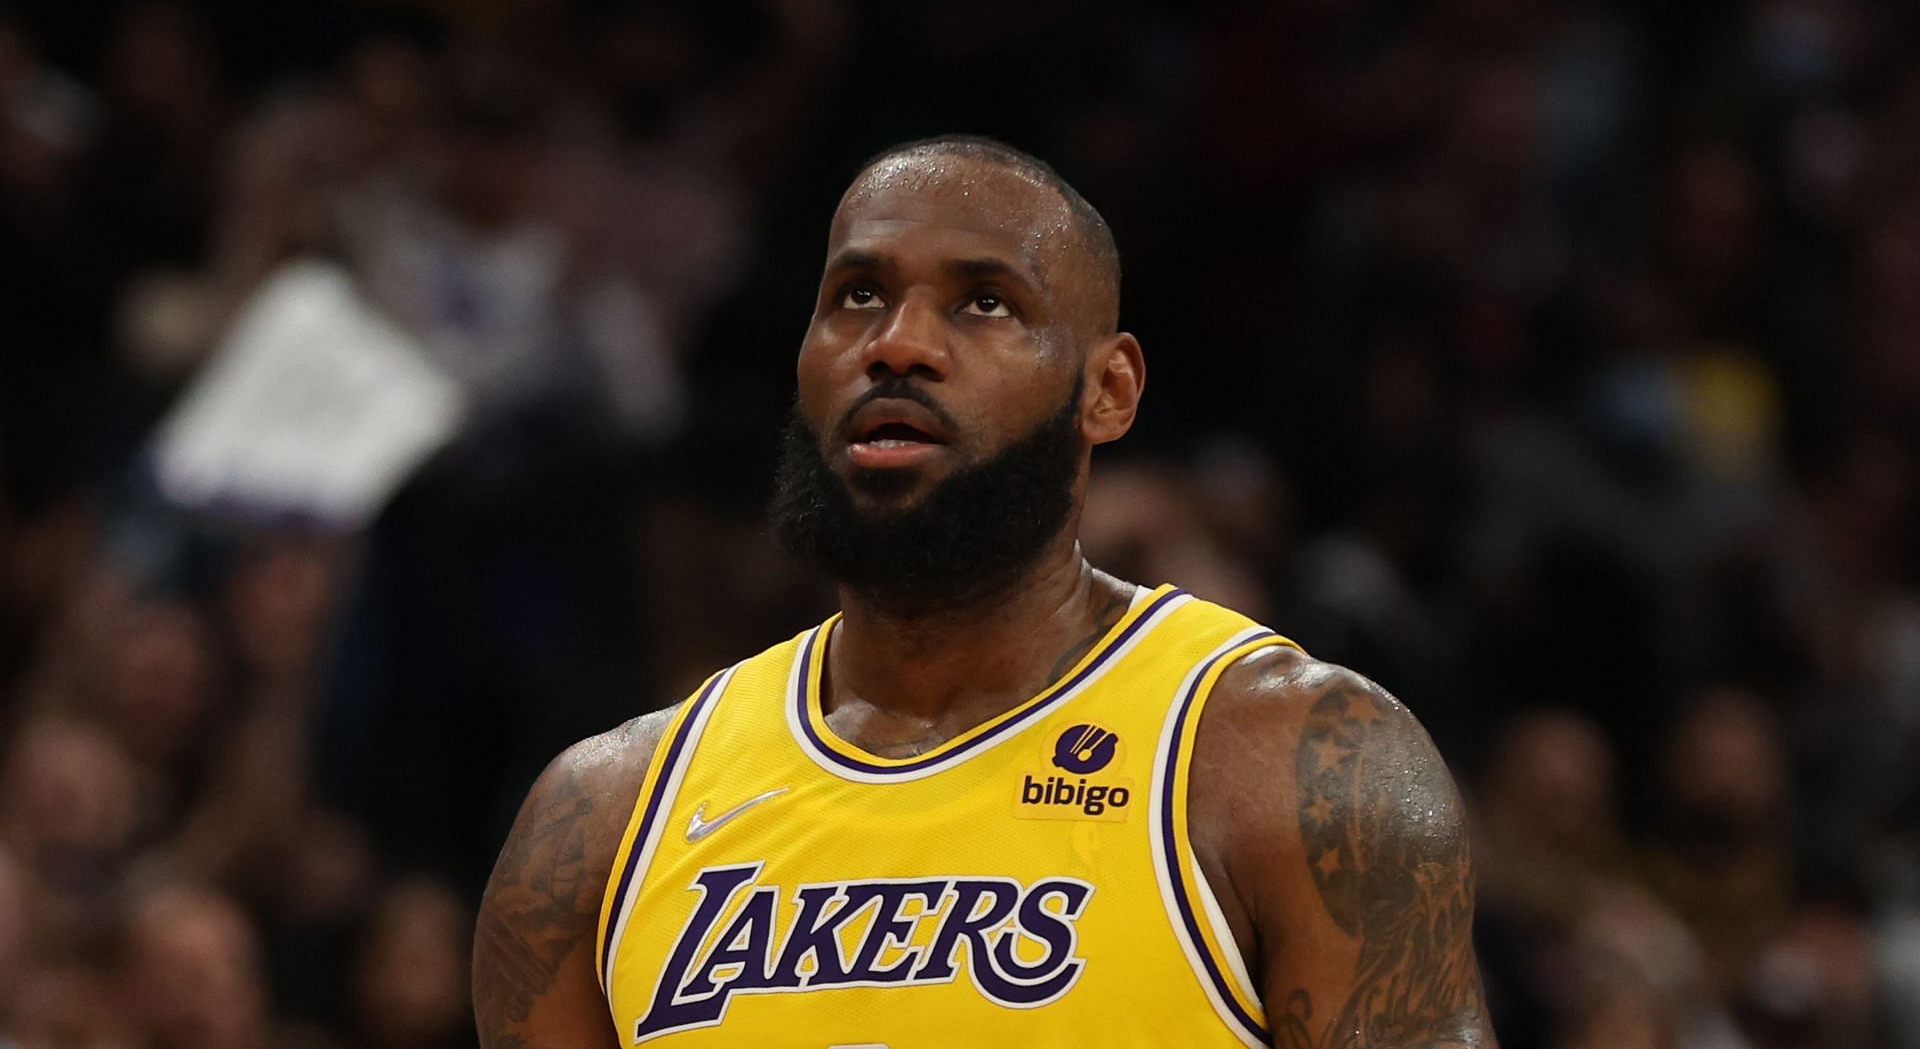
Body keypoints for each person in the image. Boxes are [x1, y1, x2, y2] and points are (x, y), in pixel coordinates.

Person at [473, 136, 1495, 1047]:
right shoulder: (600, 823)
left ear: (1110, 389)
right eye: (858, 295)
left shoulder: (1292, 759)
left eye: (985, 301)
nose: (898, 342)